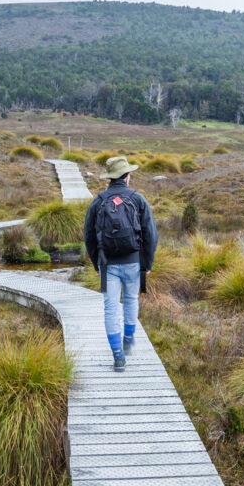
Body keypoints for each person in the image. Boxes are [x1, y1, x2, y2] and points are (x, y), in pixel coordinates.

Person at [84, 156, 158, 372]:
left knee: (110, 307)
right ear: (127, 176)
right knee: (130, 299)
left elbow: (88, 235)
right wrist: (147, 262)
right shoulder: (137, 199)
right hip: (134, 262)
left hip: (107, 263)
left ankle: (118, 356)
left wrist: (96, 264)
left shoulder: (98, 201)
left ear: (109, 178)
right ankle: (128, 340)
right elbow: (151, 234)